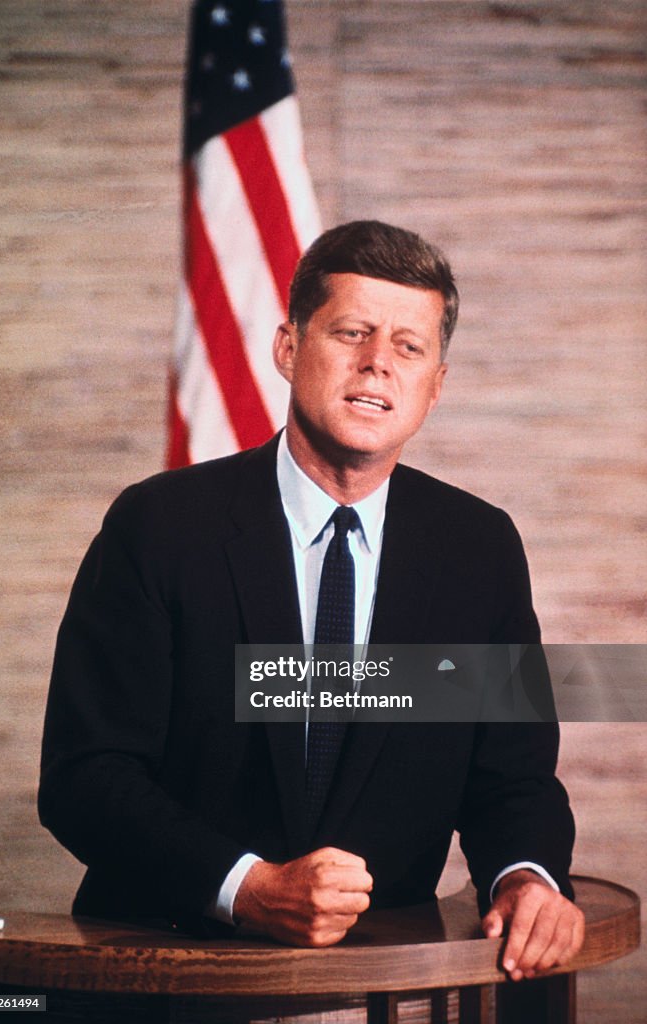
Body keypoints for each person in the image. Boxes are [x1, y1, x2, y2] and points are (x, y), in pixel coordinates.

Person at [39, 220, 584, 982]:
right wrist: (246, 888)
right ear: (289, 348)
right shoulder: (158, 526)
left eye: (408, 346)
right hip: (165, 974)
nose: (376, 365)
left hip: (382, 984)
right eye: (352, 332)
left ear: (436, 383)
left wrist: (526, 879)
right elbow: (86, 776)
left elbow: (514, 778)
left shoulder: (480, 550)